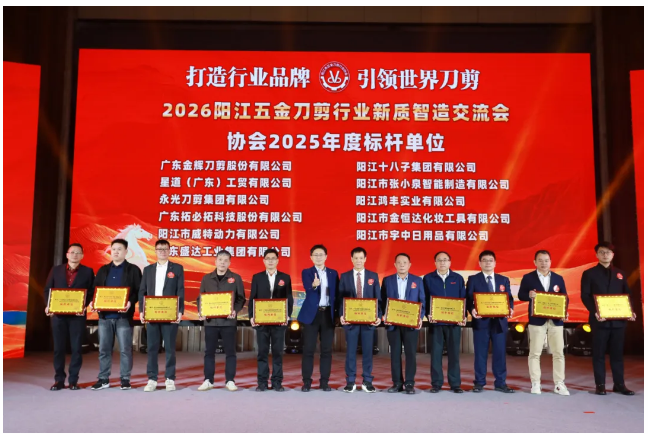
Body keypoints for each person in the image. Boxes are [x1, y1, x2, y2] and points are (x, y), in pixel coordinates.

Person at [580, 241, 636, 396]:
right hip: (599, 320)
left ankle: (619, 384)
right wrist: (595, 311)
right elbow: (585, 295)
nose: (605, 255)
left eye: (608, 252)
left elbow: (627, 294)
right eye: (602, 252)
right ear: (597, 255)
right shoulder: (589, 273)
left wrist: (630, 311)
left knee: (617, 354)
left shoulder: (620, 273)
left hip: (618, 321)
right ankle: (600, 385)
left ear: (613, 255)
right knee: (599, 354)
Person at [90, 238, 142, 390]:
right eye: (113, 249)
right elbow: (95, 289)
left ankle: (125, 379)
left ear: (126, 252)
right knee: (104, 350)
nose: (116, 252)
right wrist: (93, 302)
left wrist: (130, 302)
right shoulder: (103, 270)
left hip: (123, 317)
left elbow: (138, 290)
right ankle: (103, 379)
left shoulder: (133, 270)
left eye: (119, 249)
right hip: (105, 317)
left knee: (125, 350)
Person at [518, 250, 570, 395]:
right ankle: (535, 383)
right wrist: (529, 295)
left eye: (546, 260)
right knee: (535, 353)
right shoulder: (528, 277)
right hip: (536, 320)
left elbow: (565, 297)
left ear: (550, 262)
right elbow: (521, 295)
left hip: (556, 321)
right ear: (535, 262)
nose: (543, 263)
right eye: (540, 260)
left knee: (558, 353)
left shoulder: (558, 278)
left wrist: (564, 311)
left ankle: (559, 384)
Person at [44, 243, 95, 390]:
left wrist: (84, 305)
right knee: (58, 348)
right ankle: (59, 380)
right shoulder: (56, 270)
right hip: (58, 315)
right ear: (67, 255)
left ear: (82, 256)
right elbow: (48, 290)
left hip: (77, 316)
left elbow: (91, 291)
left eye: (78, 252)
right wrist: (49, 305)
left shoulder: (88, 271)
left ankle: (73, 380)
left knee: (76, 348)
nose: (75, 255)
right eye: (72, 252)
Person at [197, 250, 246, 392]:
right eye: (220, 259)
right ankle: (208, 380)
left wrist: (235, 310)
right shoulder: (206, 278)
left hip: (228, 322)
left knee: (230, 352)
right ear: (215, 261)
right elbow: (201, 298)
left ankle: (230, 380)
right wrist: (201, 311)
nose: (222, 262)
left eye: (225, 260)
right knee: (209, 352)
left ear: (229, 263)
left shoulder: (236, 278)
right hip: (211, 322)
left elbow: (241, 298)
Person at [139, 239, 184, 392]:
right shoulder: (148, 269)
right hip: (152, 313)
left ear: (169, 251)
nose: (162, 251)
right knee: (152, 347)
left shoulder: (177, 268)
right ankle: (152, 379)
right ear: (155, 251)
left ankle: (170, 378)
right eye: (160, 249)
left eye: (165, 249)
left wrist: (179, 311)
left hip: (170, 313)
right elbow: (142, 291)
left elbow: (180, 290)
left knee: (170, 348)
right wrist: (142, 311)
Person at [466, 250, 515, 393]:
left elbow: (509, 298)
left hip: (499, 322)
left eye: (490, 260)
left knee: (500, 353)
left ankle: (500, 383)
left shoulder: (503, 280)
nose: (488, 263)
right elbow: (469, 299)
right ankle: (479, 382)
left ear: (495, 263)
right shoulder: (473, 279)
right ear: (480, 263)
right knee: (480, 354)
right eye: (485, 260)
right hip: (481, 322)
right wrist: (472, 310)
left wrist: (510, 308)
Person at [338, 247, 381, 393]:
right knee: (350, 352)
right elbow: (340, 299)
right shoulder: (345, 277)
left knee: (368, 351)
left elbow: (378, 298)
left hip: (368, 321)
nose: (358, 261)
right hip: (351, 321)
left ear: (365, 259)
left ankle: (367, 381)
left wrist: (378, 316)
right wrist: (341, 315)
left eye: (361, 258)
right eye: (356, 258)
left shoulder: (373, 276)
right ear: (351, 259)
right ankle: (350, 381)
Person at [249, 248, 294, 392]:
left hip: (279, 321)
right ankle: (262, 382)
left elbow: (289, 298)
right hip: (261, 321)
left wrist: (287, 315)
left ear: (277, 260)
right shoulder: (257, 277)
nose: (270, 261)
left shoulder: (285, 277)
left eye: (273, 258)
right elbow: (252, 298)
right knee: (262, 352)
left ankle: (277, 382)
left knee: (278, 352)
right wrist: (251, 316)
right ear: (264, 261)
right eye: (267, 258)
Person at [381, 253, 425, 395]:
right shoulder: (387, 280)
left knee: (411, 353)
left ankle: (410, 383)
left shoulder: (417, 280)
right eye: (399, 262)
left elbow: (422, 301)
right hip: (393, 323)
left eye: (404, 262)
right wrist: (383, 314)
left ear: (409, 265)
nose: (402, 265)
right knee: (395, 353)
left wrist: (420, 317)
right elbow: (382, 300)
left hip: (411, 323)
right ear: (395, 265)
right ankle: (397, 383)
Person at [297, 244, 339, 392]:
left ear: (326, 257)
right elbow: (308, 288)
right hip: (312, 315)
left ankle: (324, 382)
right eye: (315, 255)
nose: (318, 257)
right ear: (311, 257)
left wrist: (338, 313)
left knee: (326, 350)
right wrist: (314, 285)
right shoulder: (307, 272)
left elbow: (337, 295)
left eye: (321, 254)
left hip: (327, 314)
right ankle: (307, 382)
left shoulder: (333, 273)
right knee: (308, 349)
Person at [422, 251, 466, 393]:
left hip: (454, 323)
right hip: (436, 322)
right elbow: (425, 299)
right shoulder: (428, 278)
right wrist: (428, 314)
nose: (442, 262)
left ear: (450, 262)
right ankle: (436, 383)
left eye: (445, 260)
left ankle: (455, 384)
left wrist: (463, 315)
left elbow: (463, 298)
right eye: (439, 260)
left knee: (454, 354)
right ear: (435, 263)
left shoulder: (457, 278)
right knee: (436, 354)